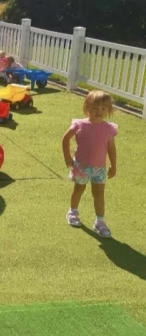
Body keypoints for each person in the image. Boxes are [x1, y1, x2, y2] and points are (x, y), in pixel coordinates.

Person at [62, 90, 118, 237]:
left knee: (99, 193)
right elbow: (65, 139)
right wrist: (67, 157)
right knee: (79, 189)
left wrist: (113, 165)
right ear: (87, 107)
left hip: (99, 168)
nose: (99, 112)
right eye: (95, 108)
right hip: (81, 166)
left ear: (108, 110)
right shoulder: (80, 124)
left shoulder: (108, 128)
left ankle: (100, 222)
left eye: (103, 109)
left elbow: (111, 148)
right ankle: (72, 212)